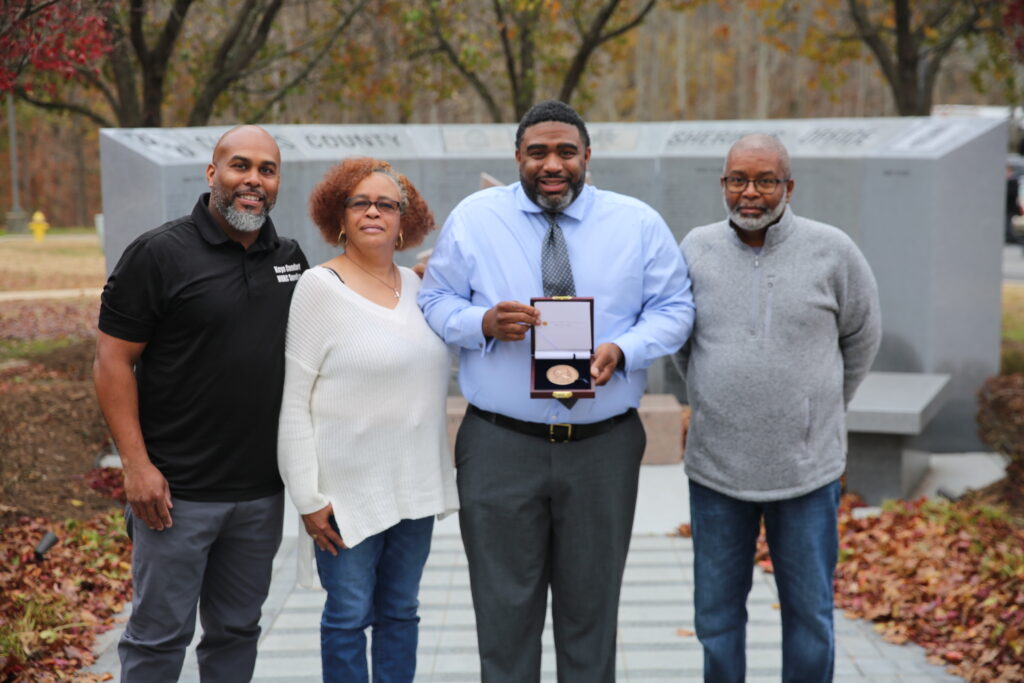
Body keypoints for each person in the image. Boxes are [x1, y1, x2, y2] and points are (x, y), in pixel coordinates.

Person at [419, 99, 695, 682]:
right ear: (518, 156)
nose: (552, 164)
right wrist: (483, 324)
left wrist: (625, 350)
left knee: (591, 610)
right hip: (499, 445)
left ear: (587, 157)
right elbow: (437, 299)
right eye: (538, 152)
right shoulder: (474, 218)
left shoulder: (636, 222)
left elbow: (675, 309)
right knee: (502, 610)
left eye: (566, 152)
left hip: (603, 445)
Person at [93, 125, 308, 681]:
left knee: (236, 633)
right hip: (175, 496)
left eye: (267, 169)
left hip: (260, 497)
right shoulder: (158, 254)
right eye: (240, 166)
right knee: (158, 639)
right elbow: (112, 363)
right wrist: (135, 468)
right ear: (212, 174)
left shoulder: (289, 259)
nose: (253, 180)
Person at [677, 134, 882, 682]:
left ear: (788, 187)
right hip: (717, 471)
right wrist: (713, 397)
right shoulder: (695, 248)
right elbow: (681, 343)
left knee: (811, 617)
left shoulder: (833, 250)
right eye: (738, 180)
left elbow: (862, 337)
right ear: (723, 185)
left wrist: (822, 408)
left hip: (806, 474)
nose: (751, 193)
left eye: (765, 181)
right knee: (716, 618)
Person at [277, 157, 459, 683]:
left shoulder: (424, 289)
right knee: (349, 617)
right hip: (345, 496)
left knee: (402, 611)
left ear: (406, 219)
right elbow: (294, 401)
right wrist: (307, 498)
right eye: (361, 202)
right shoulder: (318, 287)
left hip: (416, 488)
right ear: (340, 216)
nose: (374, 211)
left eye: (387, 203)